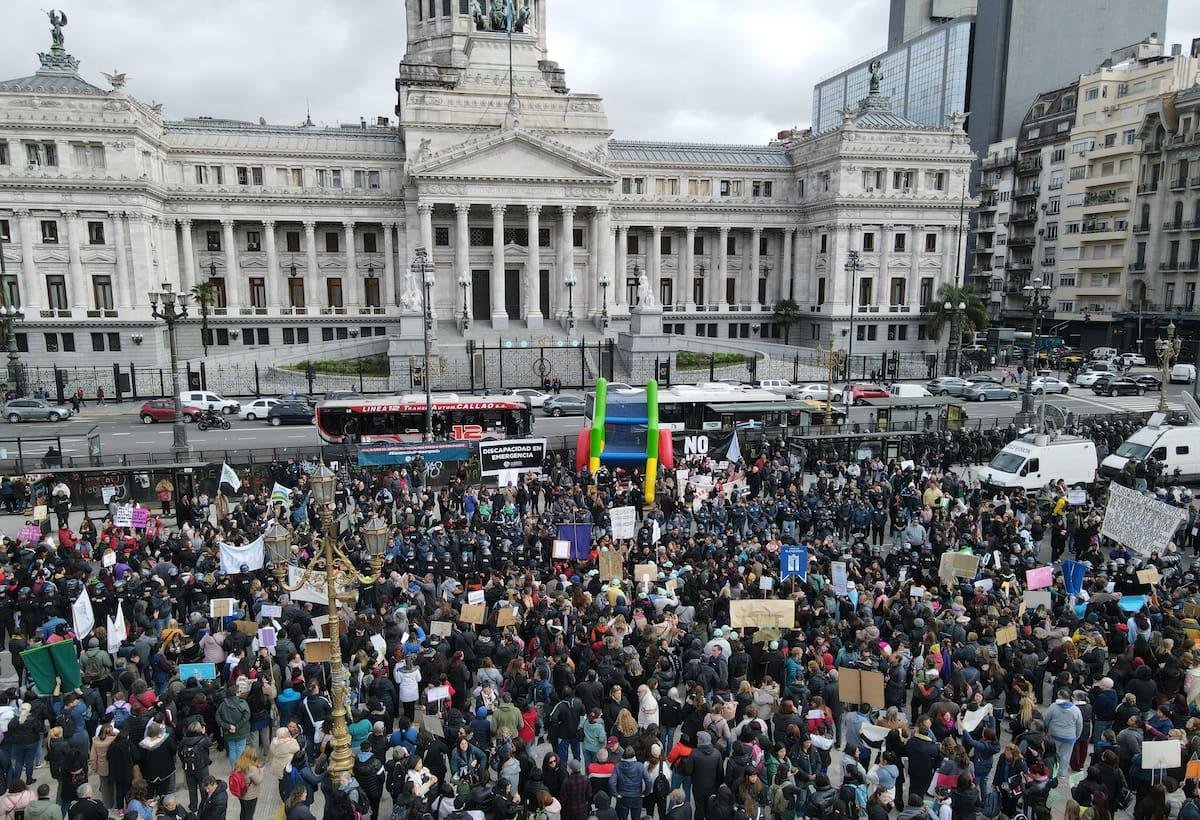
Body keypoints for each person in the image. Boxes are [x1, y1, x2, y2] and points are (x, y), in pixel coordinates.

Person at [229, 746, 264, 820]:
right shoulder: (251, 768)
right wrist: (261, 770)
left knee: (243, 811)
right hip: (250, 795)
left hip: (241, 793)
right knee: (249, 815)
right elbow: (258, 780)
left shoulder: (238, 764)